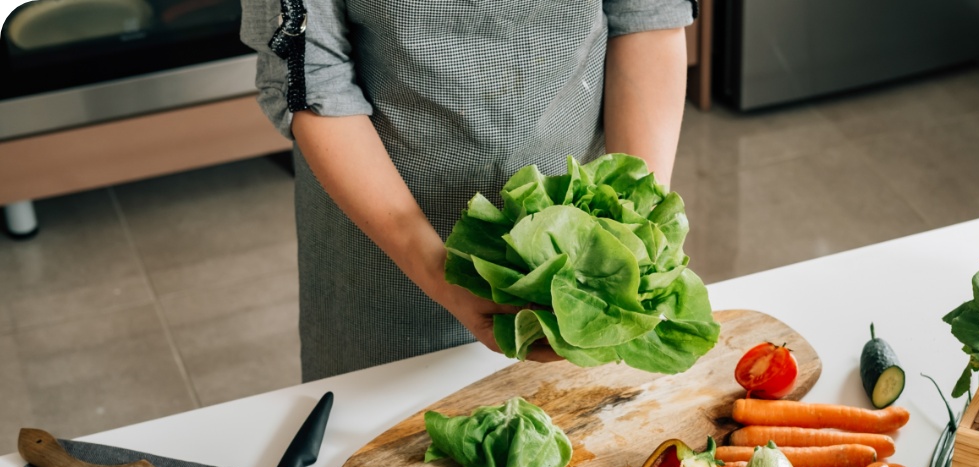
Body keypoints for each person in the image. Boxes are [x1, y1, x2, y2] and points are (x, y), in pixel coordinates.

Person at [240, 0, 693, 382]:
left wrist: (634, 229)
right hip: (387, 260)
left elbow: (647, 17)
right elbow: (315, 79)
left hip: (579, 271)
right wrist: (442, 274)